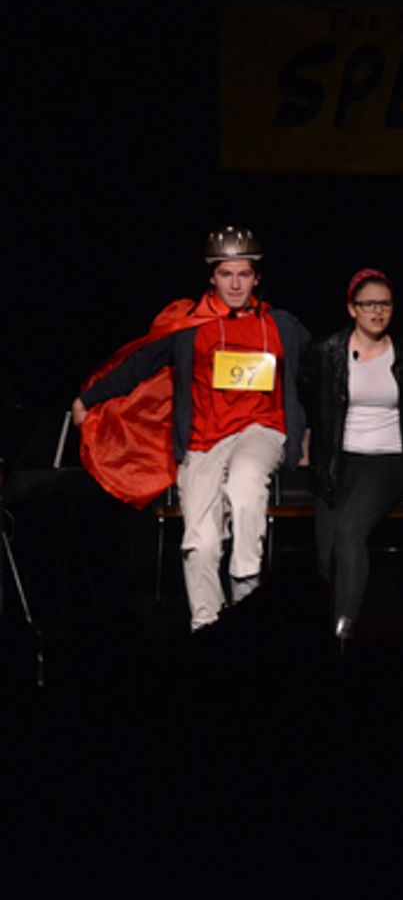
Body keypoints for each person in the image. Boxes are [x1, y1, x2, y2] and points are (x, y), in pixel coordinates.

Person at [71, 226, 309, 629]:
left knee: (246, 483)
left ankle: (246, 595)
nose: (235, 284)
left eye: (244, 274)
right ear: (212, 277)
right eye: (226, 275)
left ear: (257, 277)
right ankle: (207, 628)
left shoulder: (281, 325)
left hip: (260, 428)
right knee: (200, 542)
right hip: (203, 439)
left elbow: (324, 367)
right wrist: (88, 399)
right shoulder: (190, 326)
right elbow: (139, 363)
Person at [304, 268, 403, 638]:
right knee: (326, 554)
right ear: (352, 308)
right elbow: (312, 406)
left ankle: (345, 630)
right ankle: (320, 633)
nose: (377, 311)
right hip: (337, 461)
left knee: (350, 531)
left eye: (384, 304)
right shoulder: (327, 352)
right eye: (368, 304)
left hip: (387, 459)